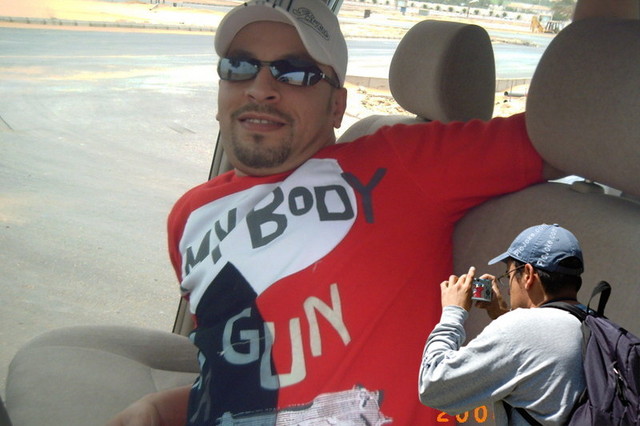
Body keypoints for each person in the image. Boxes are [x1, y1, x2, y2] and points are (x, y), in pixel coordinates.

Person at [108, 0, 637, 424]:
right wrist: (159, 410)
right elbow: (228, 375)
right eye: (239, 66)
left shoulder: (399, 162)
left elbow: (571, 125)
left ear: (337, 105)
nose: (261, 88)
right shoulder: (190, 216)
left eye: (294, 73)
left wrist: (605, 44)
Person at [418, 223, 587, 424]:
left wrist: (453, 312)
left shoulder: (519, 329)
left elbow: (433, 386)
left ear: (528, 274)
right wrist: (501, 314)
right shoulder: (592, 322)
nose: (508, 289)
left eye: (508, 275)